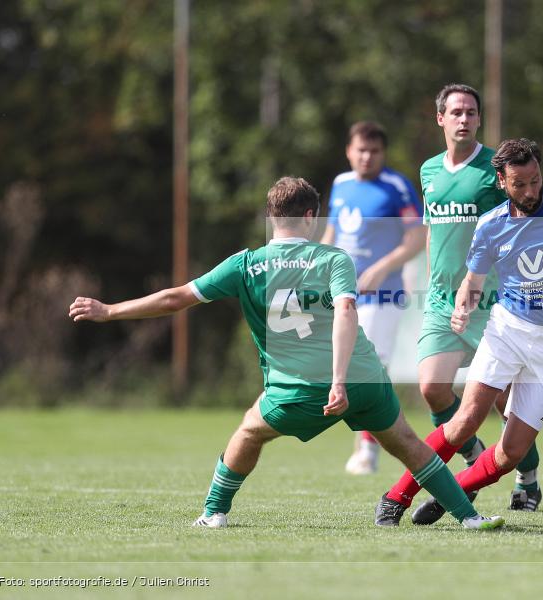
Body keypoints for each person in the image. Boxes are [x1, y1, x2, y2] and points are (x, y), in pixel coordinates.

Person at [68, 176, 504, 531]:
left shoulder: (245, 264)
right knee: (409, 444)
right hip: (363, 380)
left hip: (298, 388)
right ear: (311, 217)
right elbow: (347, 313)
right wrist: (341, 379)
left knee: (249, 433)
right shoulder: (334, 259)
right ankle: (468, 518)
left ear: (271, 216)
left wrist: (109, 310)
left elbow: (174, 299)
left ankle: (213, 513)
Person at [386, 138, 543, 526]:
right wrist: (462, 307)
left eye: (535, 181)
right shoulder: (490, 225)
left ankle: (447, 495)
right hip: (507, 329)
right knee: (465, 421)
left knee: (512, 453)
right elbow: (473, 281)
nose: (530, 191)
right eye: (519, 184)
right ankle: (396, 497)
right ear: (502, 182)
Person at [373, 84, 543, 527]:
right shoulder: (429, 170)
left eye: (471, 112)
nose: (464, 118)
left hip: (492, 302)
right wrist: (432, 281)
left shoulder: (494, 170)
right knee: (432, 387)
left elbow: (519, 225)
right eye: (456, 112)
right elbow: (432, 231)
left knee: (508, 404)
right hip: (442, 300)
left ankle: (527, 477)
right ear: (440, 119)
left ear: (479, 120)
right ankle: (472, 453)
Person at [321, 121, 425, 475]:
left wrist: (383, 268)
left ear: (383, 153)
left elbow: (416, 238)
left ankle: (368, 447)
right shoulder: (340, 185)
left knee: (371, 367)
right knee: (347, 367)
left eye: (374, 151)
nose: (367, 157)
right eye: (361, 150)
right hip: (344, 293)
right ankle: (369, 443)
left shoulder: (396, 186)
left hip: (384, 293)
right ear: (349, 151)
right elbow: (332, 234)